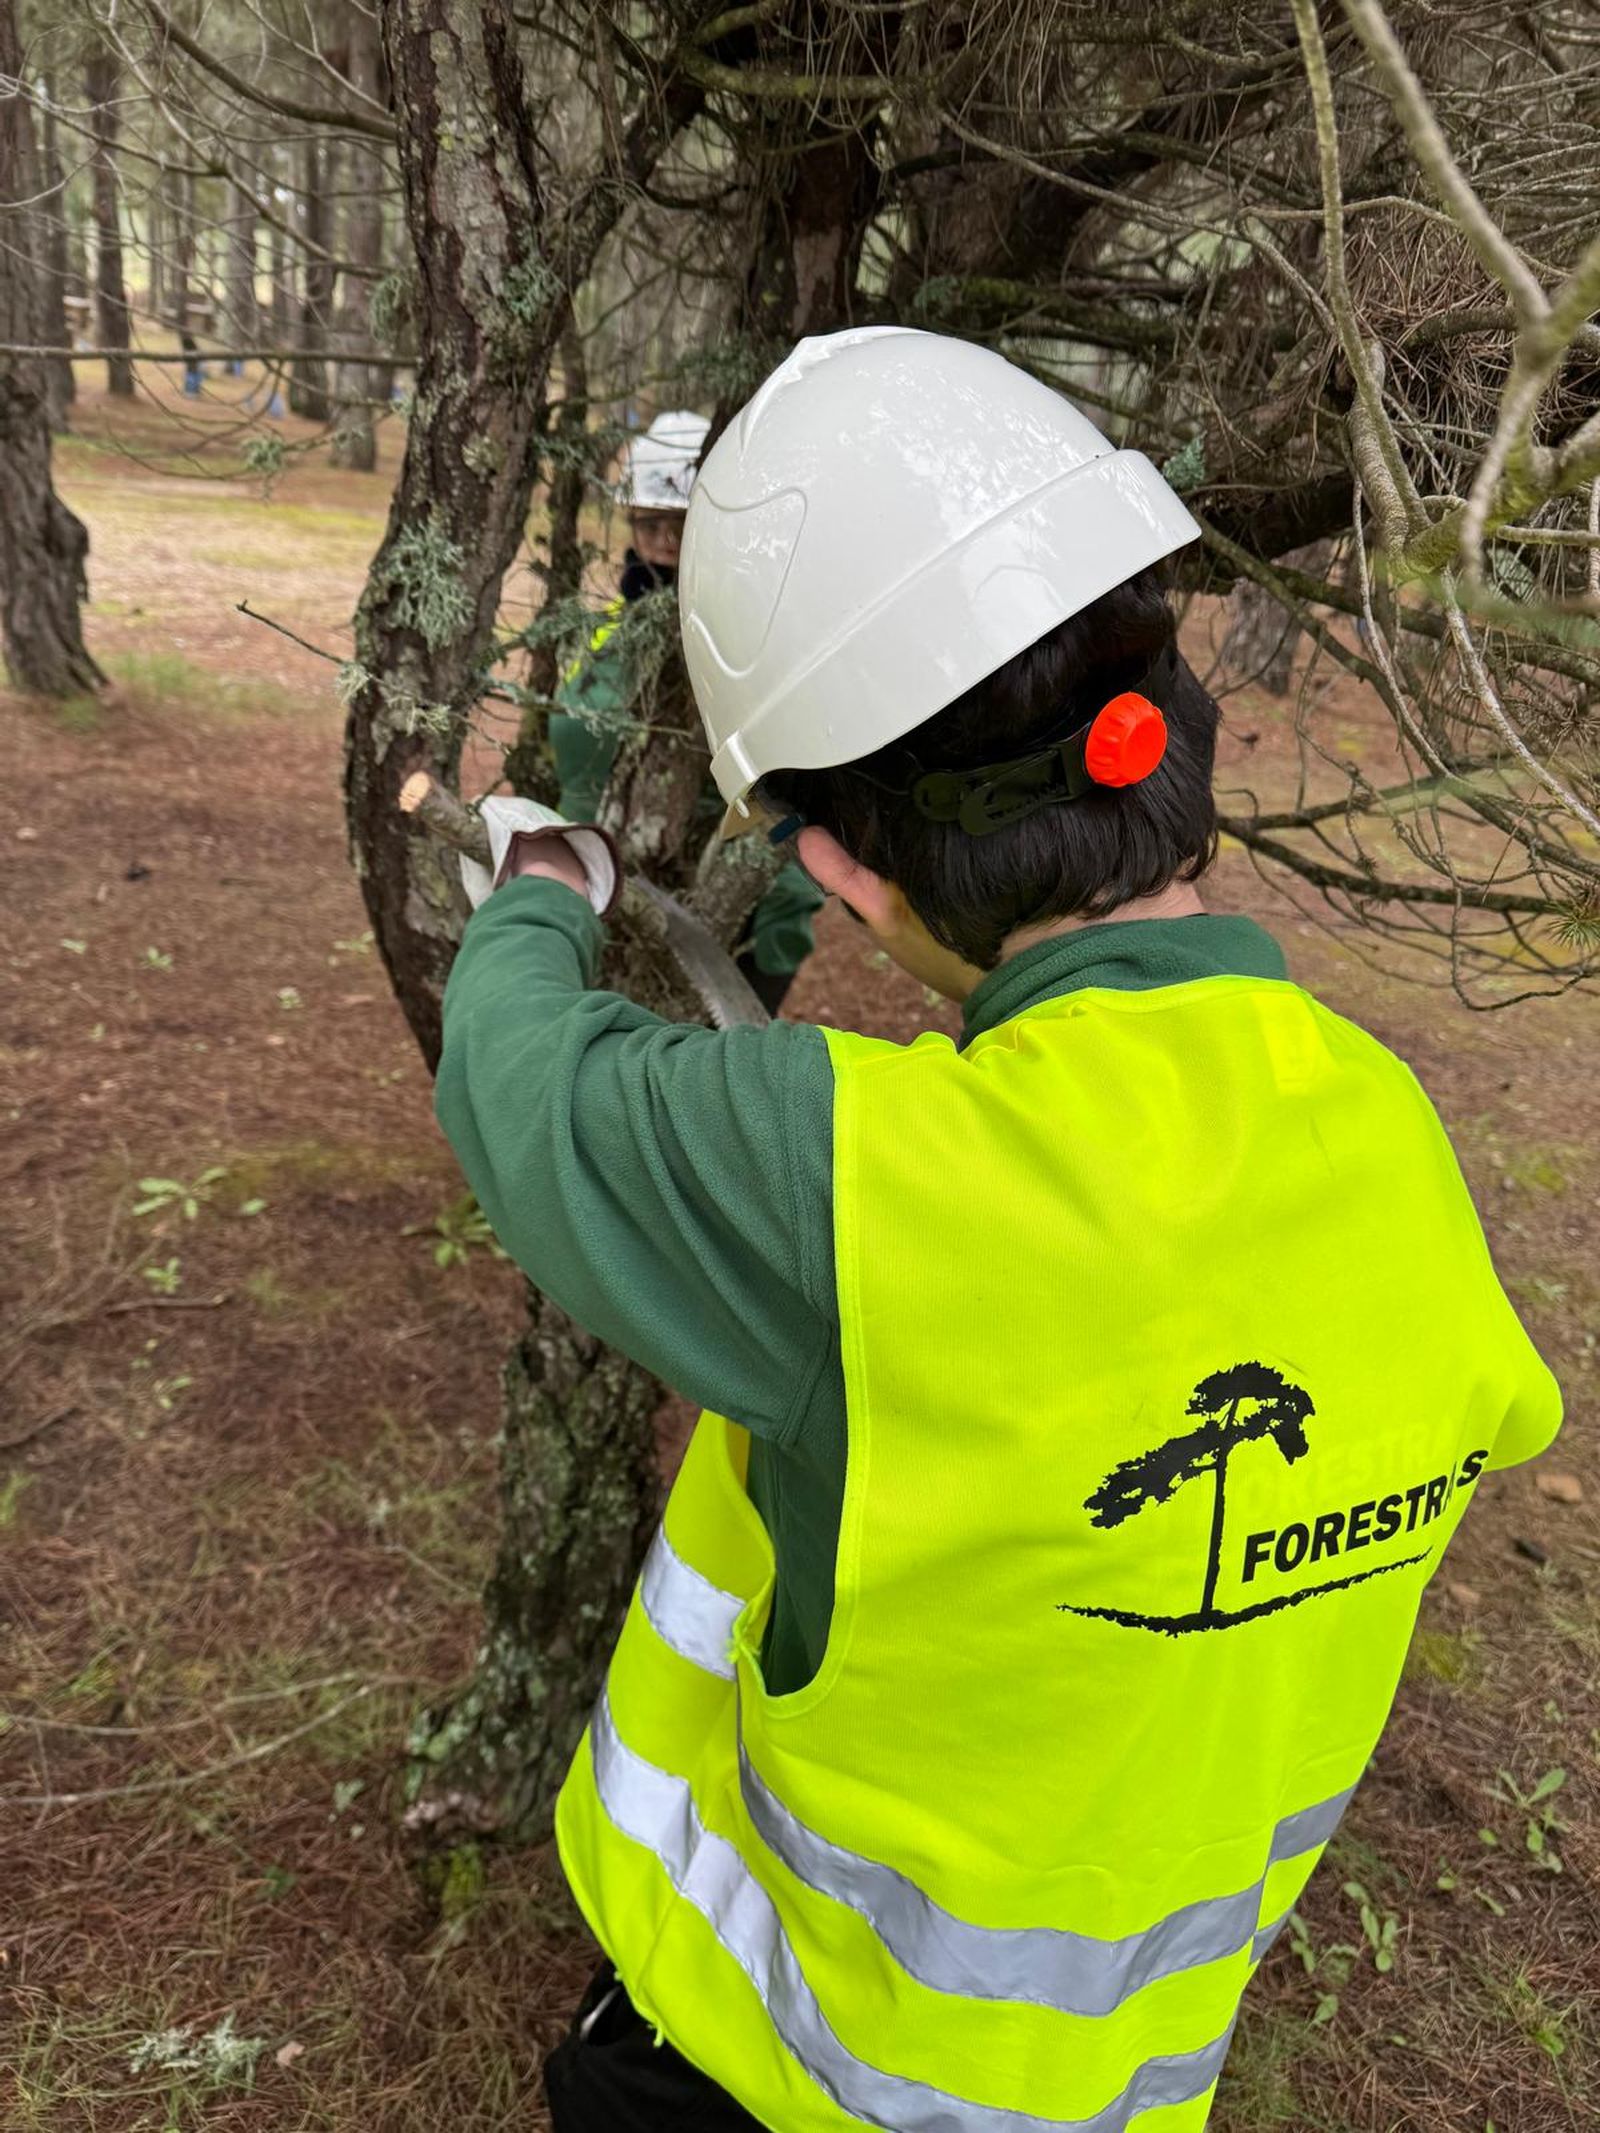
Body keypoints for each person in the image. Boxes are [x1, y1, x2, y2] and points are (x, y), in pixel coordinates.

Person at [435, 329, 1561, 2133]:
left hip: (773, 2074)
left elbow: (526, 1087)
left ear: (837, 864)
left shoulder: (861, 1181)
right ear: (1171, 741)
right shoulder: (1390, 1128)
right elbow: (1498, 1413)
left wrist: (543, 885)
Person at [549, 407, 823, 1014]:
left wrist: (768, 955)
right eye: (650, 522)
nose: (665, 540)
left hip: (702, 925)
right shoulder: (610, 626)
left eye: (680, 523)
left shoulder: (736, 641)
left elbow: (779, 807)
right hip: (584, 892)